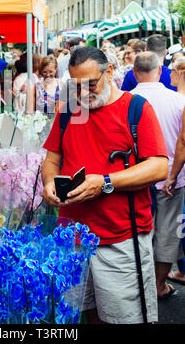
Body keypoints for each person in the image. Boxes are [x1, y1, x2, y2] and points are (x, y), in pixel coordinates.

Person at [42, 46, 168, 324]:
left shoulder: (136, 108)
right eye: (76, 86)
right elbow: (52, 160)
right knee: (85, 315)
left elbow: (159, 166)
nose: (84, 93)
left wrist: (107, 182)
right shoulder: (68, 111)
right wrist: (49, 183)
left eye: (90, 84)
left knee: (125, 318)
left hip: (120, 240)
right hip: (73, 241)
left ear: (109, 72)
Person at [131, 52, 185, 299]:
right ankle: (158, 286)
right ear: (161, 70)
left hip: (135, 177)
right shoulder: (177, 100)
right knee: (166, 231)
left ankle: (136, 284)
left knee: (135, 230)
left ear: (133, 72)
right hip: (171, 176)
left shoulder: (126, 100)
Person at [163, 56, 185, 286]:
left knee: (180, 224)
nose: (168, 74)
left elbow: (183, 142)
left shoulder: (179, 100)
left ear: (179, 72)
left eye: (171, 71)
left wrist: (173, 175)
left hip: (180, 175)